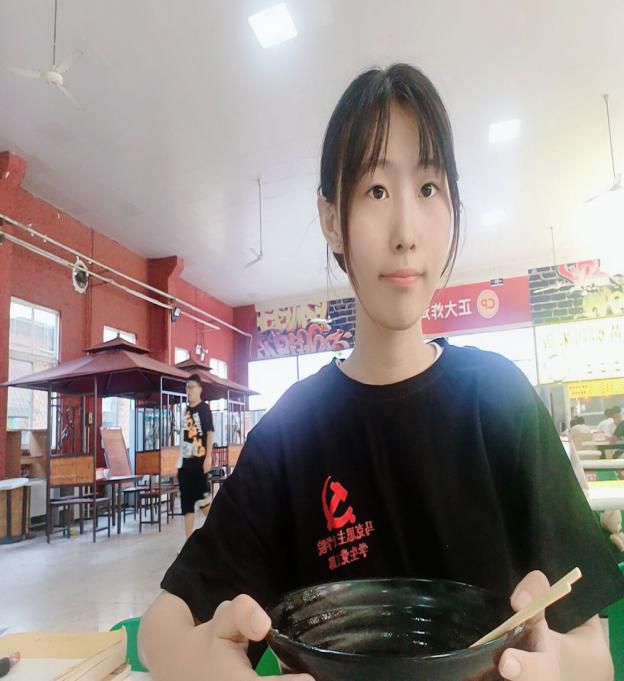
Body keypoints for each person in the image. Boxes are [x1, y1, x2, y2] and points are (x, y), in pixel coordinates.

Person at [139, 64, 624, 681]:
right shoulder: (292, 432)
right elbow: (159, 630)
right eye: (375, 191)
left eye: (428, 188)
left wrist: (555, 665)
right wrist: (207, 665)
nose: (405, 233)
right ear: (331, 218)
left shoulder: (500, 401)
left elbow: (593, 654)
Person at [177, 373, 214, 539]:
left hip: (199, 464)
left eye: (192, 387)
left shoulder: (204, 409)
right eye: (187, 387)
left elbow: (210, 433)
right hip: (185, 465)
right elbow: (183, 438)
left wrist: (208, 457)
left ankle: (220, 529)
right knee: (187, 505)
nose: (189, 390)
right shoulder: (186, 411)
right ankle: (188, 542)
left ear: (199, 389)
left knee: (203, 503)